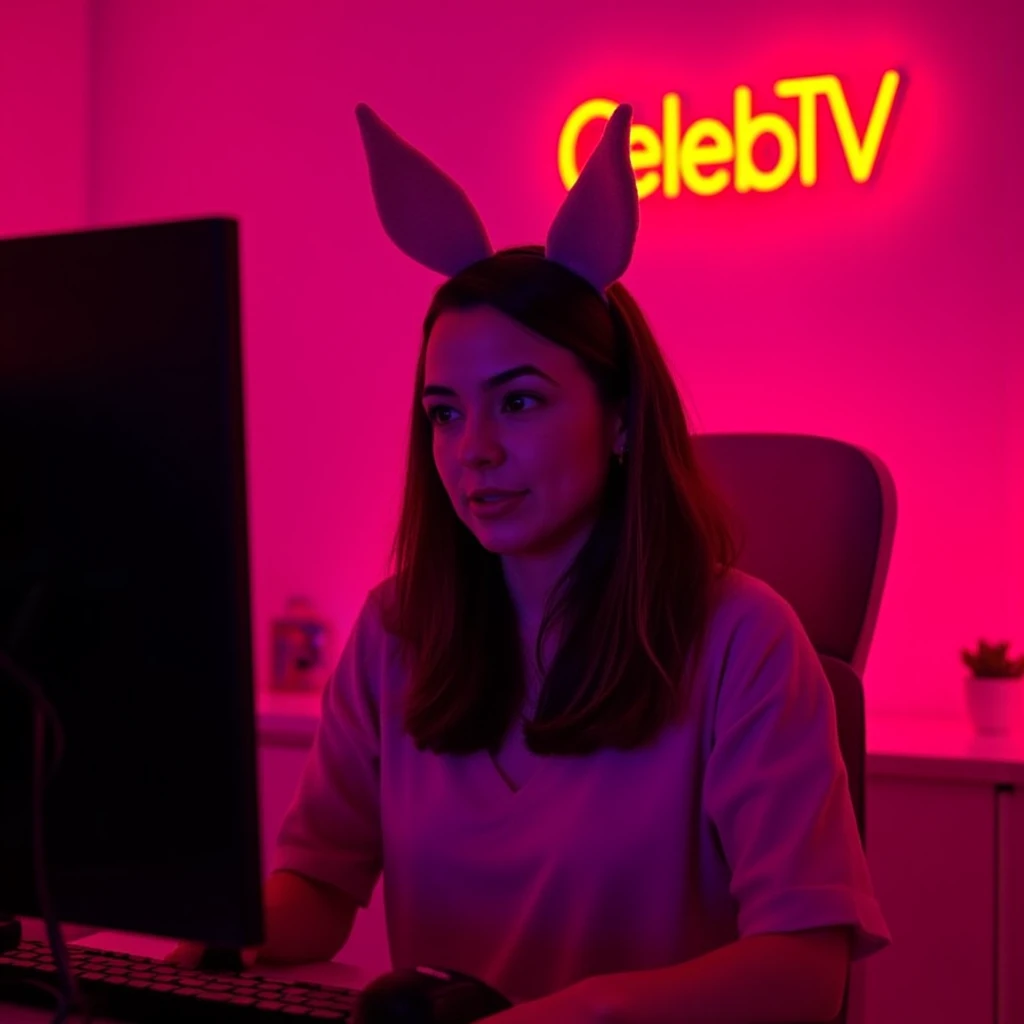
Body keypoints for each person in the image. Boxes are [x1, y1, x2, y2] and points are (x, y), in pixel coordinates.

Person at [171, 103, 892, 1022]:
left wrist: (575, 1014)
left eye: (518, 404)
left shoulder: (743, 639)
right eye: (444, 412)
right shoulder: (399, 629)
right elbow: (317, 890)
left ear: (622, 418)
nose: (472, 451)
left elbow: (803, 975)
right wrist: (219, 930)